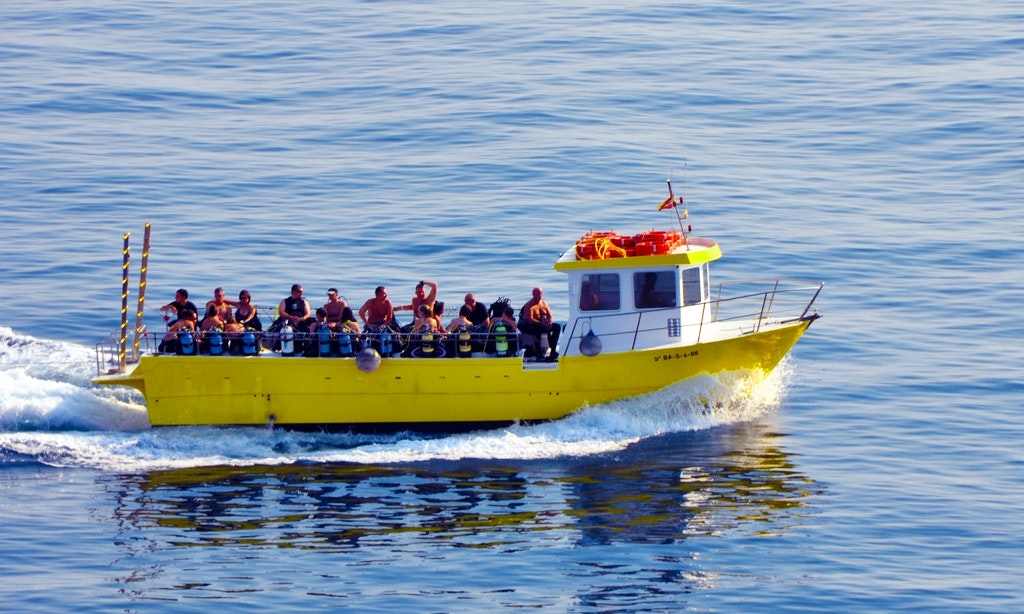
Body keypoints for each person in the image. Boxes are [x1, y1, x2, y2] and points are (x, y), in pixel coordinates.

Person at [518, 287, 561, 361]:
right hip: (528, 325)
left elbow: (550, 315)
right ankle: (538, 353)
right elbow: (530, 319)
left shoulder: (544, 303)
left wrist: (549, 322)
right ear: (533, 294)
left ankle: (553, 352)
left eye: (540, 293)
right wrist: (542, 324)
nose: (539, 295)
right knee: (538, 329)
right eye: (537, 294)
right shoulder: (529, 305)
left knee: (557, 327)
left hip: (542, 324)